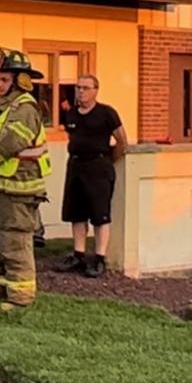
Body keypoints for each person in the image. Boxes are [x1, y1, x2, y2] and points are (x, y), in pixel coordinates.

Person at [0, 48, 51, 311]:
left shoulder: (26, 107)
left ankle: (20, 296)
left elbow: (12, 142)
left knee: (15, 241)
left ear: (21, 81)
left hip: (20, 187)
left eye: (4, 80)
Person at [54, 74, 127, 278]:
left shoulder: (107, 113)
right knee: (76, 212)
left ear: (96, 90)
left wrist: (108, 159)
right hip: (76, 164)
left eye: (86, 88)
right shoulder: (71, 114)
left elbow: (121, 140)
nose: (81, 91)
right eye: (78, 87)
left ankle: (99, 258)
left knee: (99, 213)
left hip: (98, 166)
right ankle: (78, 255)